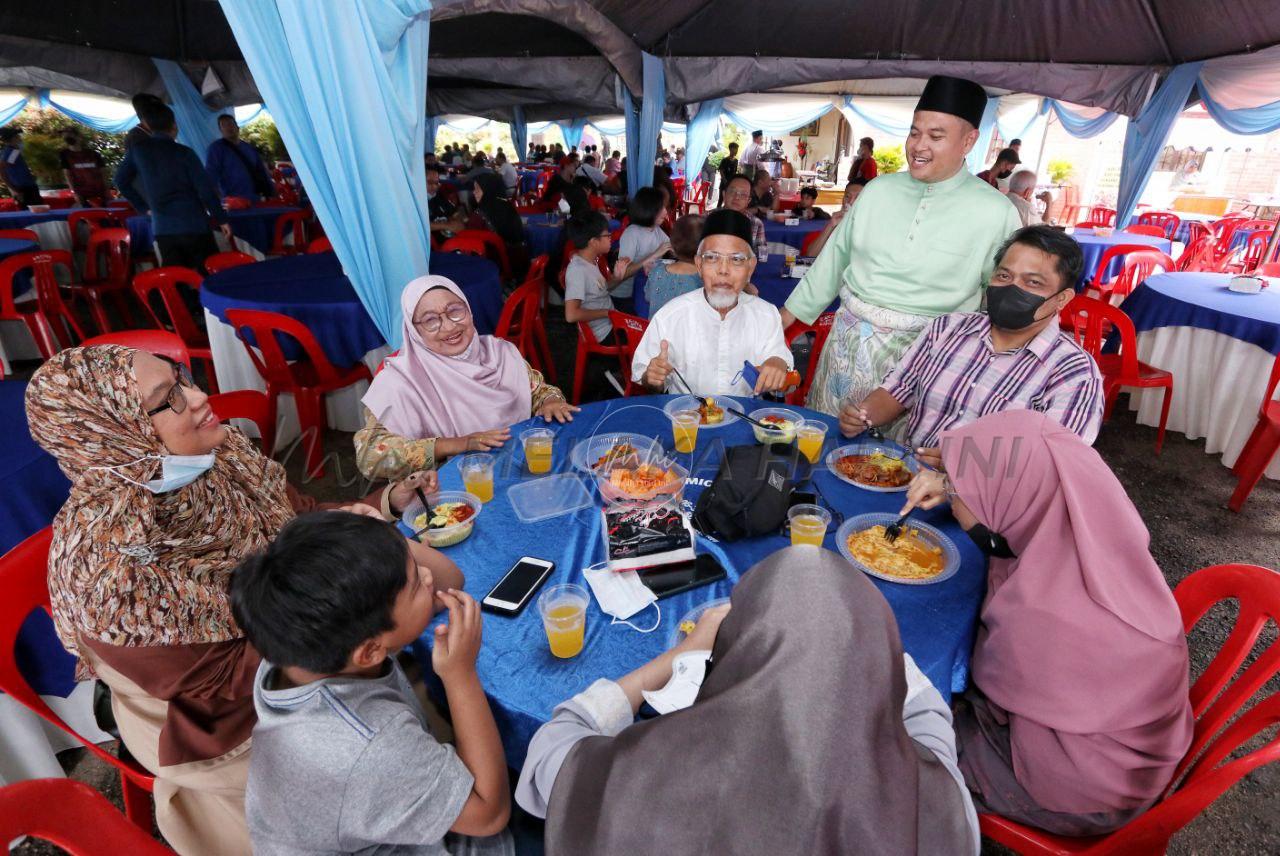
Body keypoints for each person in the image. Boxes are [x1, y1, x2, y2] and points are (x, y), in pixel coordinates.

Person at [25, 345, 450, 855]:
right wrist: (353, 593)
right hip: (233, 723)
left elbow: (297, 515)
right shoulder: (115, 580)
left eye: (184, 379)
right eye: (169, 400)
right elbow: (229, 681)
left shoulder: (216, 457)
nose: (201, 397)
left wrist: (381, 504)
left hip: (296, 645)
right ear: (115, 435)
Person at [516, 547, 979, 855]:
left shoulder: (643, 774)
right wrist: (866, 642)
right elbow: (928, 718)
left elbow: (553, 747)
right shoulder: (928, 804)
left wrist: (678, 654)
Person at [900, 410, 1194, 836]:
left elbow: (989, 680)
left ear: (1016, 498)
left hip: (1081, 789)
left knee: (896, 734)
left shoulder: (1048, 618)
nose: (957, 498)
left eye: (963, 491)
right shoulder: (1088, 534)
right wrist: (953, 482)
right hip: (1132, 748)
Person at [232, 513, 513, 855]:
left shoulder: (300, 646)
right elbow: (489, 814)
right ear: (370, 651)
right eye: (414, 585)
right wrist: (460, 676)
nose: (427, 576)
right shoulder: (371, 745)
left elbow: (448, 580)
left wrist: (380, 542)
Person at [780, 75, 1023, 417]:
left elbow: (996, 300)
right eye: (914, 132)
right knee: (831, 454)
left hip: (927, 362)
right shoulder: (878, 190)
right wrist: (783, 319)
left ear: (968, 141)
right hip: (846, 350)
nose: (919, 146)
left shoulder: (997, 212)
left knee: (901, 466)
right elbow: (835, 260)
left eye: (936, 136)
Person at [842, 225, 1103, 456]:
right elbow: (897, 390)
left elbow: (1053, 468)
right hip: (905, 476)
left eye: (1032, 282)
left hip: (985, 507)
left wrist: (959, 473)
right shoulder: (948, 328)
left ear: (1062, 298)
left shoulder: (1074, 375)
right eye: (1004, 276)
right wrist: (863, 416)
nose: (1013, 288)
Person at [357, 276, 575, 480]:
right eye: (430, 320)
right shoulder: (399, 381)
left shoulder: (500, 353)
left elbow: (537, 390)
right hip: (451, 489)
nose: (450, 326)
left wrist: (550, 401)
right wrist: (457, 444)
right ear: (414, 330)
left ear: (469, 310)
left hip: (520, 468)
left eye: (455, 311)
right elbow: (370, 456)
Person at [633, 208, 793, 396]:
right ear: (699, 266)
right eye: (712, 258)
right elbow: (646, 378)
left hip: (745, 420)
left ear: (751, 268)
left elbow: (788, 384)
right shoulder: (670, 316)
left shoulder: (766, 315)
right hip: (687, 420)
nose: (723, 270)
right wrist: (652, 377)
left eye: (736, 259)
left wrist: (778, 364)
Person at [114, 104, 235, 272]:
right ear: (174, 125)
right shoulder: (185, 152)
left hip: (163, 227)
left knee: (175, 279)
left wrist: (143, 207)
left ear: (147, 126)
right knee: (208, 275)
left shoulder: (138, 151)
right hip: (194, 224)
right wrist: (221, 219)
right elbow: (205, 190)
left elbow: (120, 180)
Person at [563, 211, 639, 347]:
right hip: (603, 333)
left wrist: (617, 278)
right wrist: (608, 313)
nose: (611, 238)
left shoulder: (591, 260)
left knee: (641, 320)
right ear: (593, 242)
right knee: (645, 336)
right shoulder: (577, 271)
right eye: (607, 235)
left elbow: (600, 289)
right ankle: (612, 366)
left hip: (611, 320)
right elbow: (571, 315)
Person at [465, 172, 530, 280]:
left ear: (487, 190)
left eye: (477, 189)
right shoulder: (508, 206)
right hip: (519, 262)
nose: (474, 192)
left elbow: (469, 244)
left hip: (494, 266)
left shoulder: (479, 214)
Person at [615, 186, 673, 306]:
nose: (665, 212)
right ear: (649, 209)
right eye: (661, 207)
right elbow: (623, 273)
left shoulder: (656, 230)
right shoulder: (632, 233)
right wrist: (655, 254)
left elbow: (673, 248)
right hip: (625, 295)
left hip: (645, 288)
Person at [205, 114, 275, 201]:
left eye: (230, 124)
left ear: (237, 127)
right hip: (235, 201)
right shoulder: (216, 149)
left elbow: (262, 171)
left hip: (258, 197)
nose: (228, 128)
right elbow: (211, 175)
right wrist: (215, 200)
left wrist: (272, 192)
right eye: (224, 125)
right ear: (221, 131)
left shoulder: (249, 148)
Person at [645, 214, 705, 315]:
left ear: (672, 246)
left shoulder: (657, 271)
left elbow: (647, 296)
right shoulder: (704, 280)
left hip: (656, 329)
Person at [804, 178, 866, 259]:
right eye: (847, 196)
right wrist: (830, 225)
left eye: (858, 198)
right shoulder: (837, 224)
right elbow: (811, 255)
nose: (850, 202)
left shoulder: (870, 229)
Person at [59, 129, 109, 208]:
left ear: (79, 137)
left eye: (70, 135)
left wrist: (106, 189)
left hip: (99, 190)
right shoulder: (65, 155)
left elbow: (103, 171)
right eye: (65, 136)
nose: (67, 138)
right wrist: (74, 192)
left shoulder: (93, 154)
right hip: (81, 193)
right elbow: (67, 174)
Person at [722, 175, 768, 259]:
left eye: (743, 194)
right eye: (732, 192)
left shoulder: (756, 223)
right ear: (724, 195)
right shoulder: (706, 219)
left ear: (748, 201)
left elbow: (761, 257)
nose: (737, 197)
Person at [0, 126, 41, 208]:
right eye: (18, 136)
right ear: (13, 138)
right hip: (23, 188)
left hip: (26, 185)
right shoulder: (12, 152)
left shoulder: (12, 151)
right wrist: (14, 190)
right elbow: (2, 170)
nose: (20, 138)